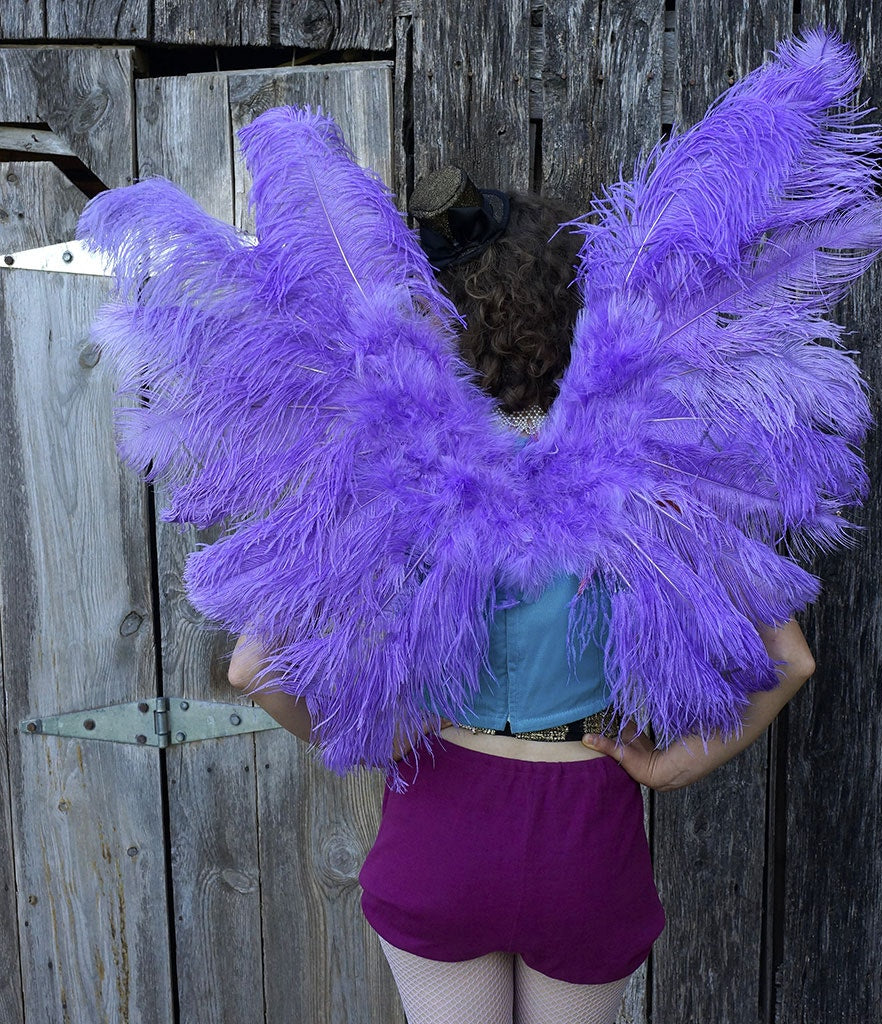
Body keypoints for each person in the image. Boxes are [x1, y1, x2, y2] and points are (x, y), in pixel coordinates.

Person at [227, 167, 818, 1024]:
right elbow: (790, 658)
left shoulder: (389, 473)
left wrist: (376, 734)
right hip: (585, 831)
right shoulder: (651, 470)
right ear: (570, 311)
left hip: (438, 818)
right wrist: (673, 765)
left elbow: (251, 670)